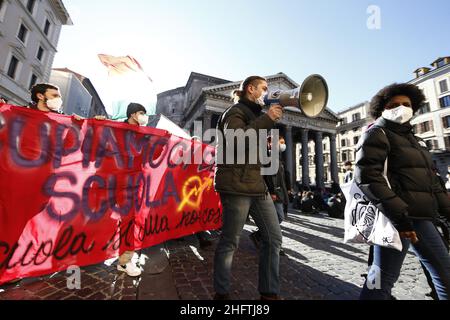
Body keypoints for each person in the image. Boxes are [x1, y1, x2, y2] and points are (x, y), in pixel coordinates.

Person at [356, 83, 450, 300]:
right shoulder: (376, 134)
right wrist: (400, 218)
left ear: (414, 108)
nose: (401, 108)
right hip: (394, 219)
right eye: (394, 105)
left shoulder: (418, 142)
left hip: (421, 218)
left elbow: (432, 183)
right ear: (382, 110)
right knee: (380, 278)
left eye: (406, 104)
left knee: (444, 274)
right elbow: (369, 177)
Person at [213, 76, 284, 300]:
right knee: (230, 240)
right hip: (236, 184)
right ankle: (221, 293)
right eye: (263, 88)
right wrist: (268, 119)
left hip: (256, 185)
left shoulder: (255, 115)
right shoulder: (235, 112)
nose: (266, 92)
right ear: (250, 89)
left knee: (273, 238)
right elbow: (237, 141)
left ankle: (269, 292)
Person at [115, 103, 149, 277]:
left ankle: (125, 260)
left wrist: (161, 142)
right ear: (133, 114)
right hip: (111, 181)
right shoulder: (115, 128)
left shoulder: (144, 135)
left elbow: (151, 157)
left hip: (132, 185)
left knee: (128, 221)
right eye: (142, 113)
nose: (145, 116)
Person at [250, 135, 293, 256]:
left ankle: (261, 236)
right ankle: (274, 245)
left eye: (283, 142)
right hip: (274, 194)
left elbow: (281, 177)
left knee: (276, 218)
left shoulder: (277, 157)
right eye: (280, 142)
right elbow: (269, 176)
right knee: (278, 218)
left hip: (279, 193)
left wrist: (287, 190)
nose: (283, 145)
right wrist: (272, 192)